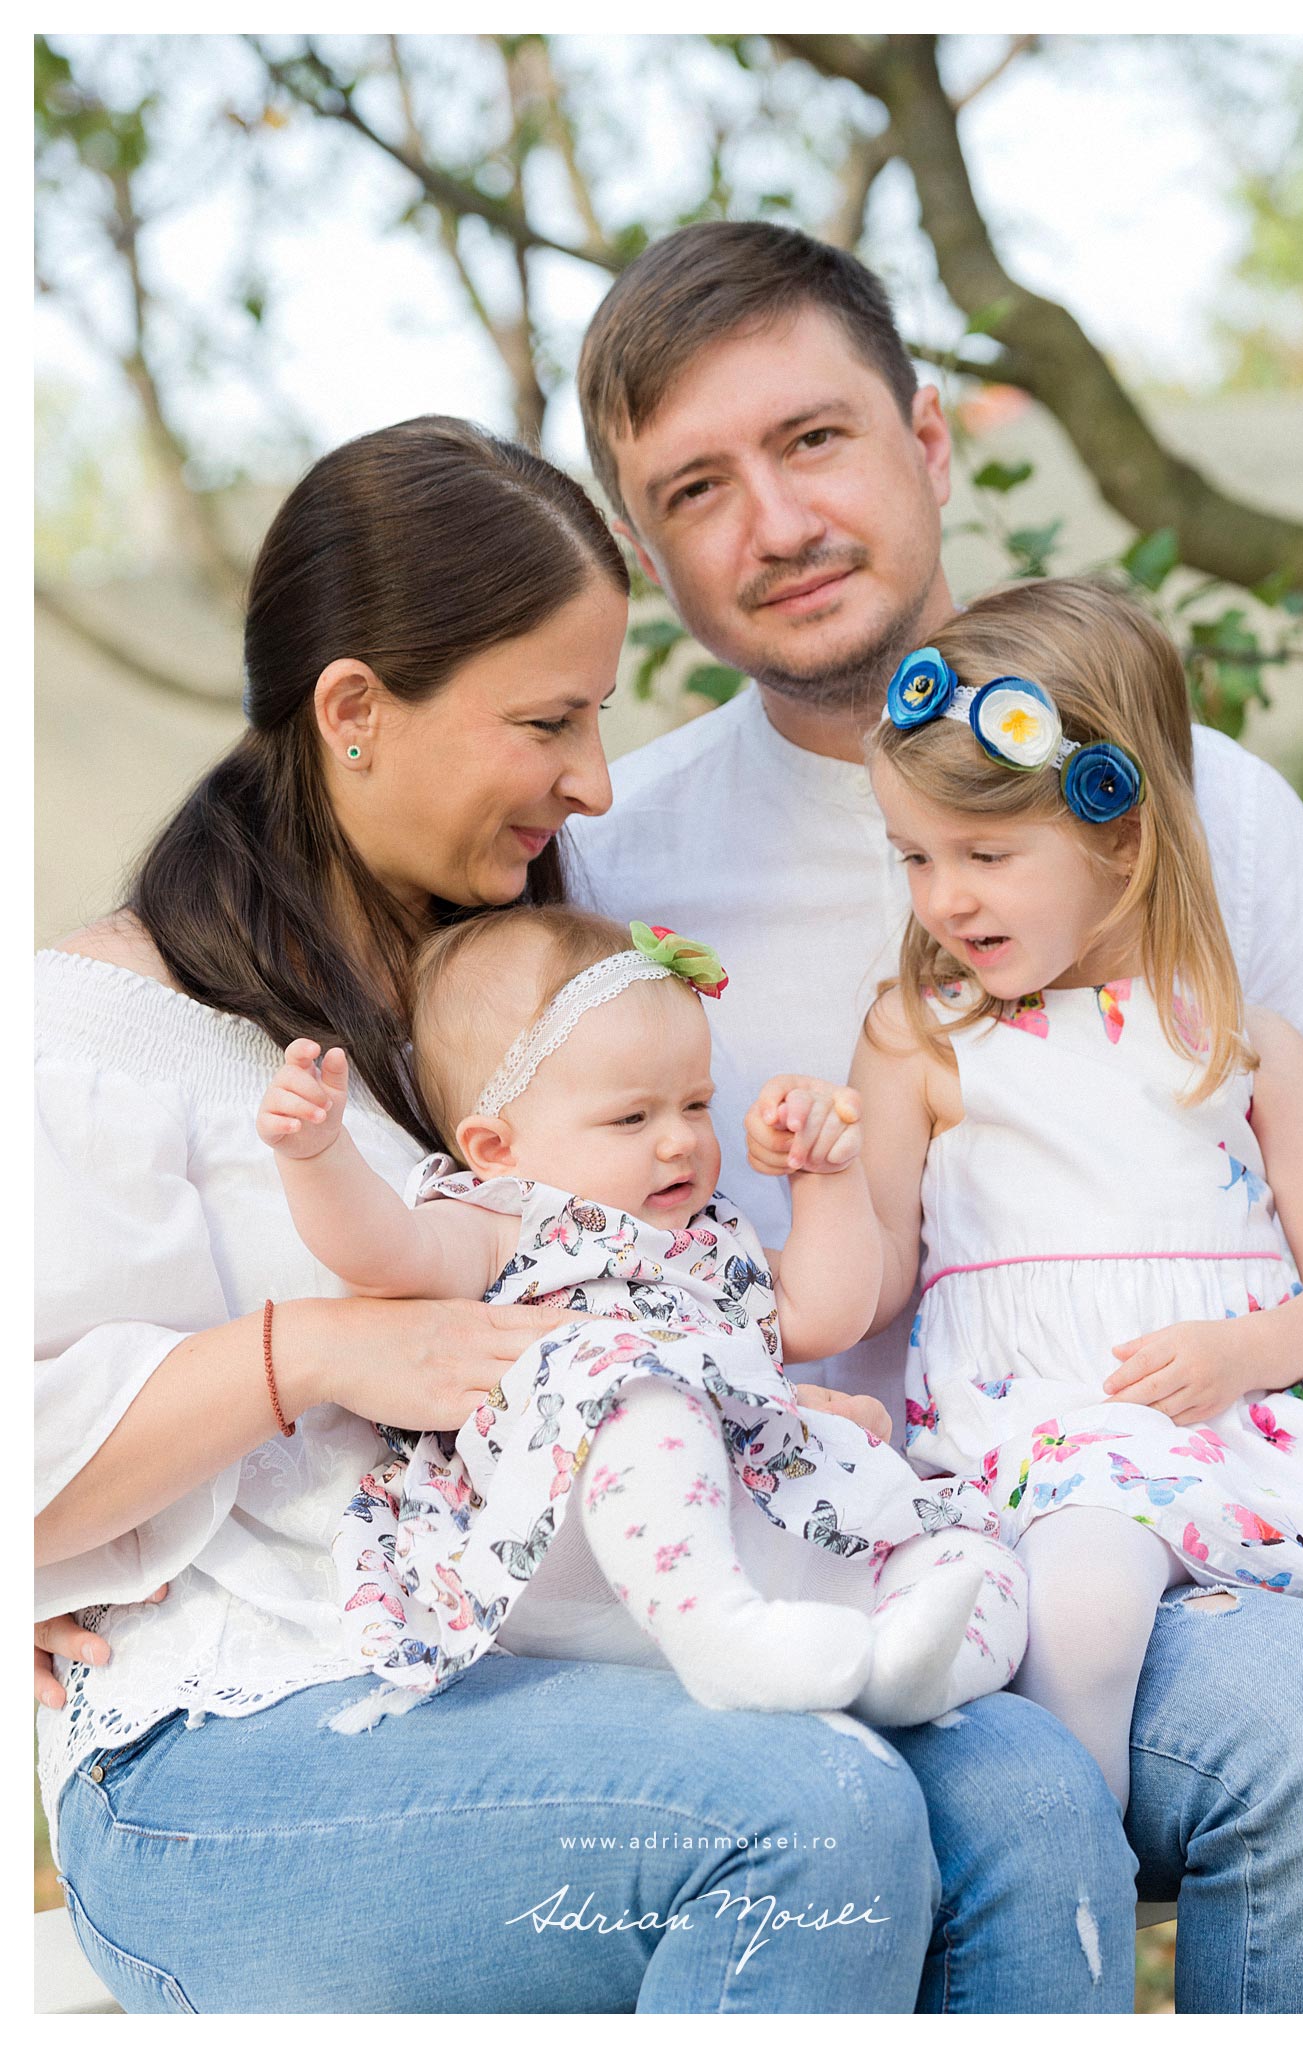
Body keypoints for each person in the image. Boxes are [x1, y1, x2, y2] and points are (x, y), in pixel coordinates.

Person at [35, 415, 1133, 2015]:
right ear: (354, 710)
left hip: (555, 1675)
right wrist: (319, 1350)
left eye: (598, 717)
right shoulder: (97, 1032)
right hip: (235, 1744)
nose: (595, 780)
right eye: (547, 720)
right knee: (803, 1815)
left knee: (1028, 1787)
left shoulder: (517, 990)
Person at [569, 219, 1303, 2012]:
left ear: (930, 443)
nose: (773, 523)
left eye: (815, 440)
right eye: (697, 486)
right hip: (790, 1553)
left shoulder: (1205, 810)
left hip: (1184, 1510)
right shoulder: (610, 854)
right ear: (645, 549)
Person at [255, 907, 1025, 1731]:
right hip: (566, 1529)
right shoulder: (501, 1221)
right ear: (496, 1147)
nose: (680, 1143)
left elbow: (823, 1316)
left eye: (695, 1105)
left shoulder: (705, 1237)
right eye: (633, 1118)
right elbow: (378, 1249)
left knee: (970, 1549)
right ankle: (718, 1636)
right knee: (643, 1381)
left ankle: (907, 1675)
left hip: (753, 1516)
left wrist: (825, 1181)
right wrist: (317, 1156)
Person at [844, 579, 1303, 1812]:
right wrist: (817, 1170)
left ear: (1121, 832)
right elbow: (871, 1280)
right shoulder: (925, 1039)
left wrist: (1248, 1347)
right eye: (914, 856)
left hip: (1235, 1420)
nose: (943, 898)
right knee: (1076, 1595)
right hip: (1043, 1433)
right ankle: (1076, 1851)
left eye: (985, 854)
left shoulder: (1237, 1044)